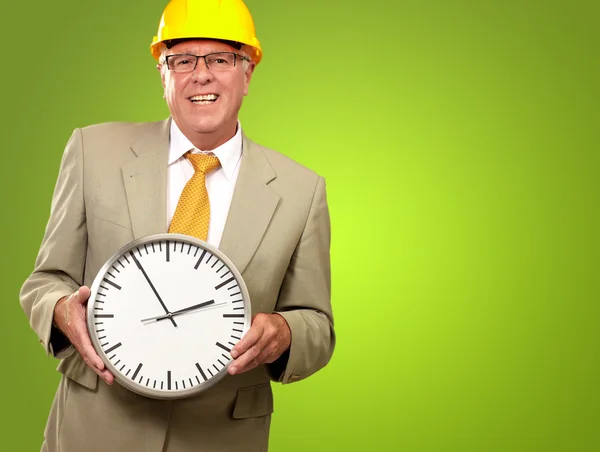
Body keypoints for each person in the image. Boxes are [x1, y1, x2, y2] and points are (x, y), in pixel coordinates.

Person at [19, 0, 335, 450]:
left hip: (221, 434)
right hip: (93, 428)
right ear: (162, 74)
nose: (200, 74)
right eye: (182, 60)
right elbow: (44, 282)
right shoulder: (94, 151)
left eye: (220, 59)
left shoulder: (302, 191)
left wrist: (284, 333)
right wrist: (60, 309)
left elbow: (317, 324)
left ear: (247, 73)